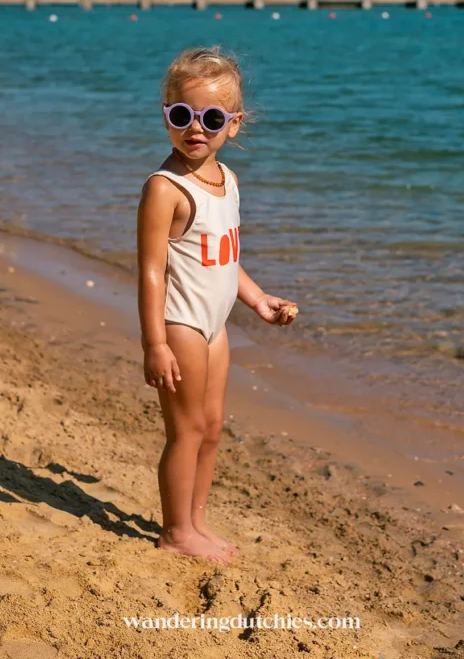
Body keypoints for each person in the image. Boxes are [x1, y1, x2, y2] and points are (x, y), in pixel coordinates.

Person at [137, 45, 298, 563]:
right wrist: (155, 343)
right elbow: (151, 271)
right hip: (181, 325)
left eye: (210, 118)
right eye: (182, 115)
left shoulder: (227, 181)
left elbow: (225, 259)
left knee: (211, 428)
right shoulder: (165, 188)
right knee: (185, 432)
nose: (195, 128)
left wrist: (258, 299)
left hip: (216, 327)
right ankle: (176, 531)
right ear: (166, 115)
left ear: (234, 123)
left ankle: (196, 520)